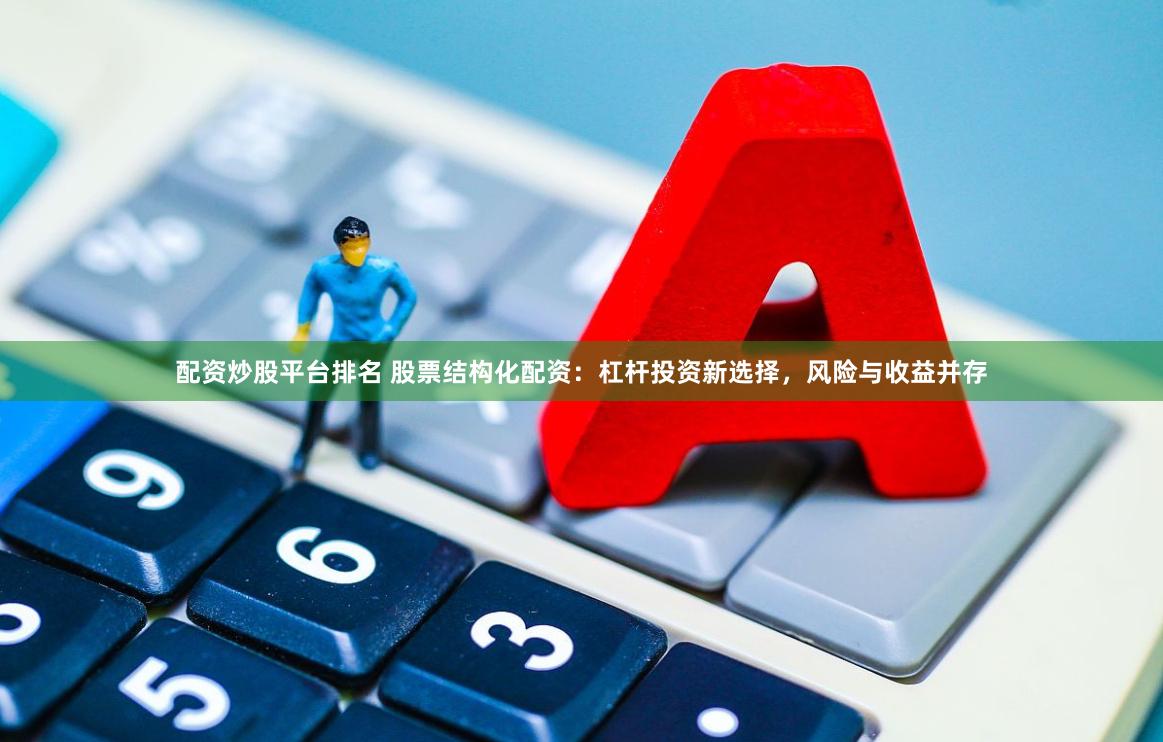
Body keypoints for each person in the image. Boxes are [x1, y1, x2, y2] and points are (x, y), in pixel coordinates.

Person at [289, 215, 416, 474]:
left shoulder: (385, 269)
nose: (358, 251)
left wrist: (391, 328)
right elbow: (309, 295)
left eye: (363, 244)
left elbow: (408, 297)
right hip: (341, 341)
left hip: (373, 342)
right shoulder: (323, 270)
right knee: (319, 394)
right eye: (352, 246)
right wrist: (303, 327)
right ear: (340, 247)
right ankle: (304, 448)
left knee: (369, 398)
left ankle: (369, 449)